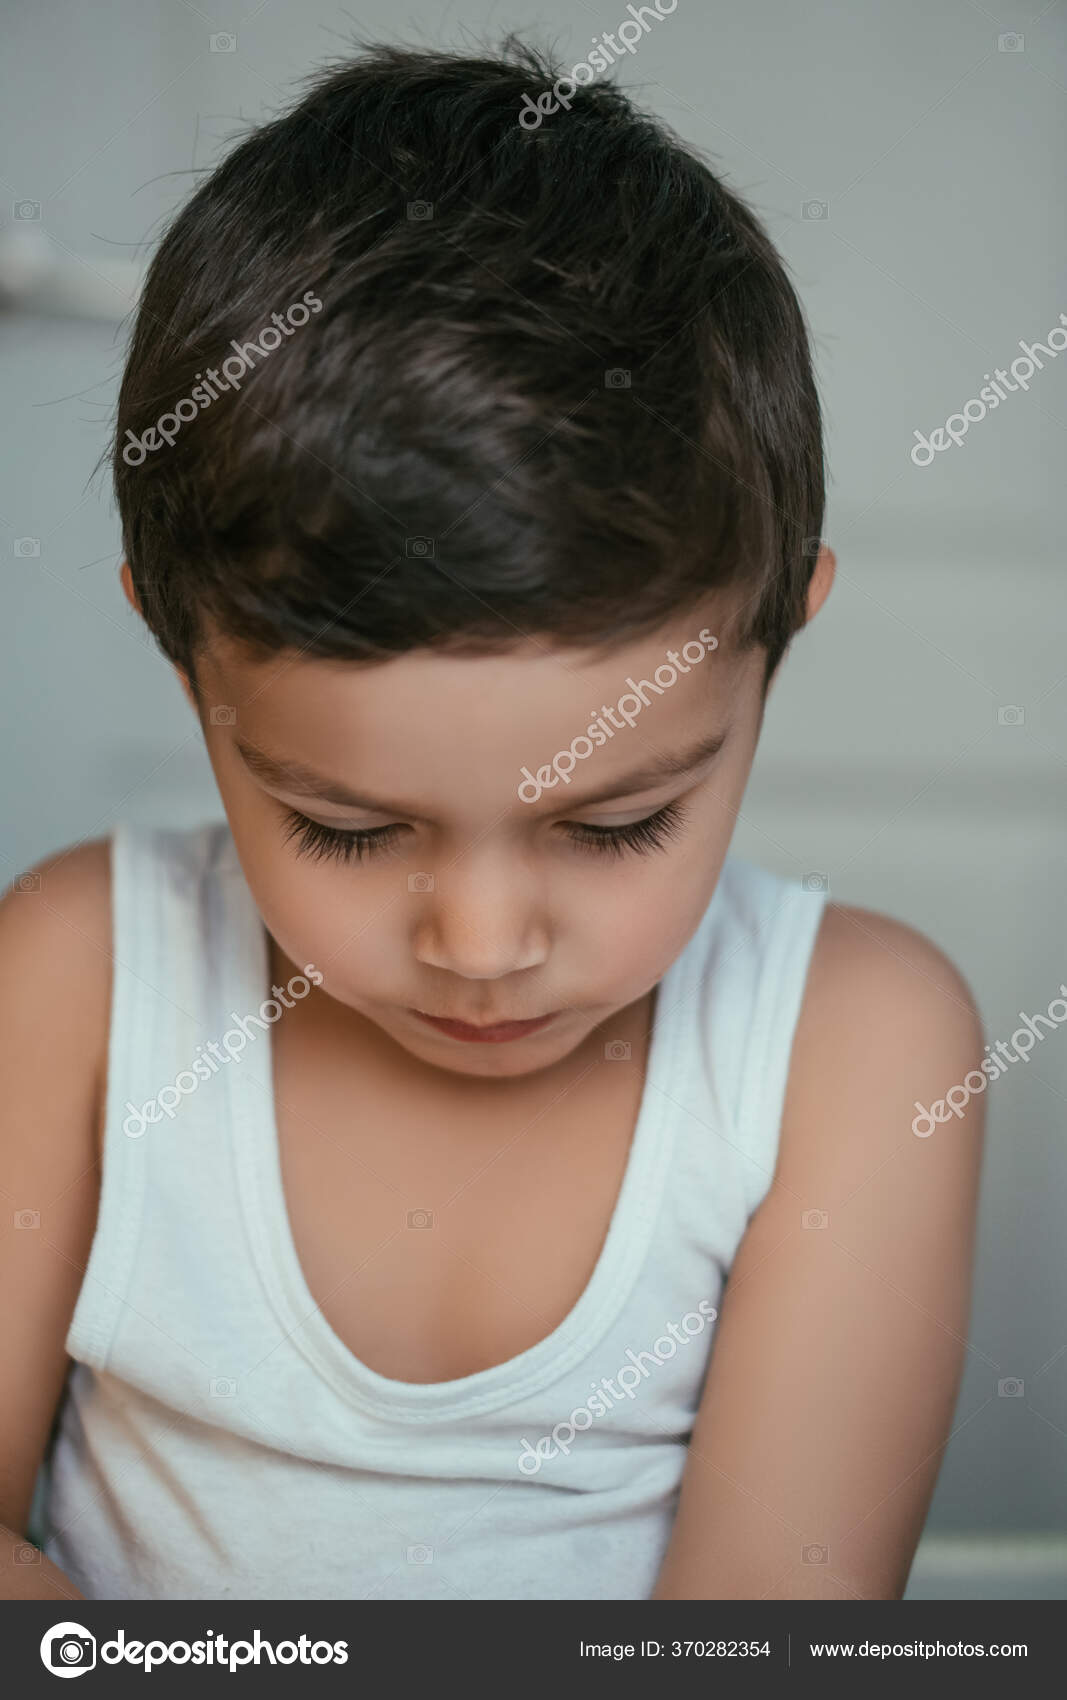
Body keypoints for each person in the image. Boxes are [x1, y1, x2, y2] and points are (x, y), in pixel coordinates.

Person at [0, 38, 984, 1601]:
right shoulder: (75, 979)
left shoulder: (852, 1052)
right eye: (341, 828)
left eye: (614, 827)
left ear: (781, 640)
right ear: (185, 661)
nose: (481, 944)